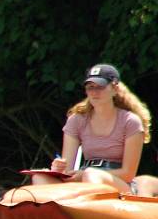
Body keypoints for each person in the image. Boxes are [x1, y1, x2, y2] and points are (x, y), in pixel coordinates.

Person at [32, 63, 151, 194]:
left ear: (115, 89)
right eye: (90, 87)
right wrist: (59, 169)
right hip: (84, 178)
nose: (94, 92)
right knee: (40, 177)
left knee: (92, 175)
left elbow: (128, 173)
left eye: (100, 87)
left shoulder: (130, 121)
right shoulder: (77, 120)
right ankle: (58, 211)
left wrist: (86, 174)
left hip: (120, 183)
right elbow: (68, 168)